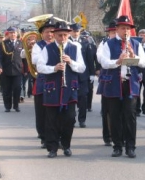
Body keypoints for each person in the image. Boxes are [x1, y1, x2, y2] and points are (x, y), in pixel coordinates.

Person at [100, 15, 145, 158]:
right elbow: (104, 62)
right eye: (123, 28)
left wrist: (133, 57)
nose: (125, 31)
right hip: (114, 84)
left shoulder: (136, 44)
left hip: (131, 84)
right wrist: (118, 61)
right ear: (117, 29)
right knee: (114, 116)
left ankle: (131, 146)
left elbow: (144, 63)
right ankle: (117, 146)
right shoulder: (108, 44)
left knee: (130, 116)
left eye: (128, 28)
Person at [37, 21, 86, 158]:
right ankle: (52, 148)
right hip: (52, 89)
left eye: (65, 35)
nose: (62, 38)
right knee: (52, 120)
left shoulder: (75, 48)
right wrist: (54, 68)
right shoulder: (47, 48)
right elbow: (40, 67)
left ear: (69, 34)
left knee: (69, 119)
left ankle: (66, 145)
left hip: (70, 88)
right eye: (59, 35)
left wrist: (71, 62)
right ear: (54, 35)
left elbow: (82, 68)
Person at [29, 17, 56, 148]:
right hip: (43, 81)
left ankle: (56, 137)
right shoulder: (38, 46)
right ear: (42, 33)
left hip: (57, 81)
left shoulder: (60, 43)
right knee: (41, 111)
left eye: (52, 31)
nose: (50, 34)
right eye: (47, 31)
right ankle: (44, 137)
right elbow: (34, 60)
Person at [69, 23, 96, 128]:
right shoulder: (67, 42)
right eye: (74, 31)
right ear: (70, 31)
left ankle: (82, 119)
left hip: (83, 75)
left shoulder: (85, 42)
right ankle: (72, 118)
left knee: (83, 97)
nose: (75, 33)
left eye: (77, 31)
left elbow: (90, 59)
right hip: (71, 74)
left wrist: (92, 73)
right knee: (71, 98)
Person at [96, 20, 117, 146]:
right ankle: (107, 135)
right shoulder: (104, 43)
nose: (114, 34)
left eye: (116, 31)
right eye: (112, 32)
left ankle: (119, 134)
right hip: (108, 77)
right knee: (107, 109)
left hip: (122, 77)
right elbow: (99, 57)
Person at [0, 26, 23, 112]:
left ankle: (16, 105)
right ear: (9, 34)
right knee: (6, 89)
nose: (12, 34)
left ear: (17, 34)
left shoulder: (21, 43)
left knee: (17, 88)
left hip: (17, 70)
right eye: (11, 33)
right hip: (6, 70)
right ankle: (7, 106)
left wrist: (26, 69)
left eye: (14, 33)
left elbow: (25, 58)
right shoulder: (4, 43)